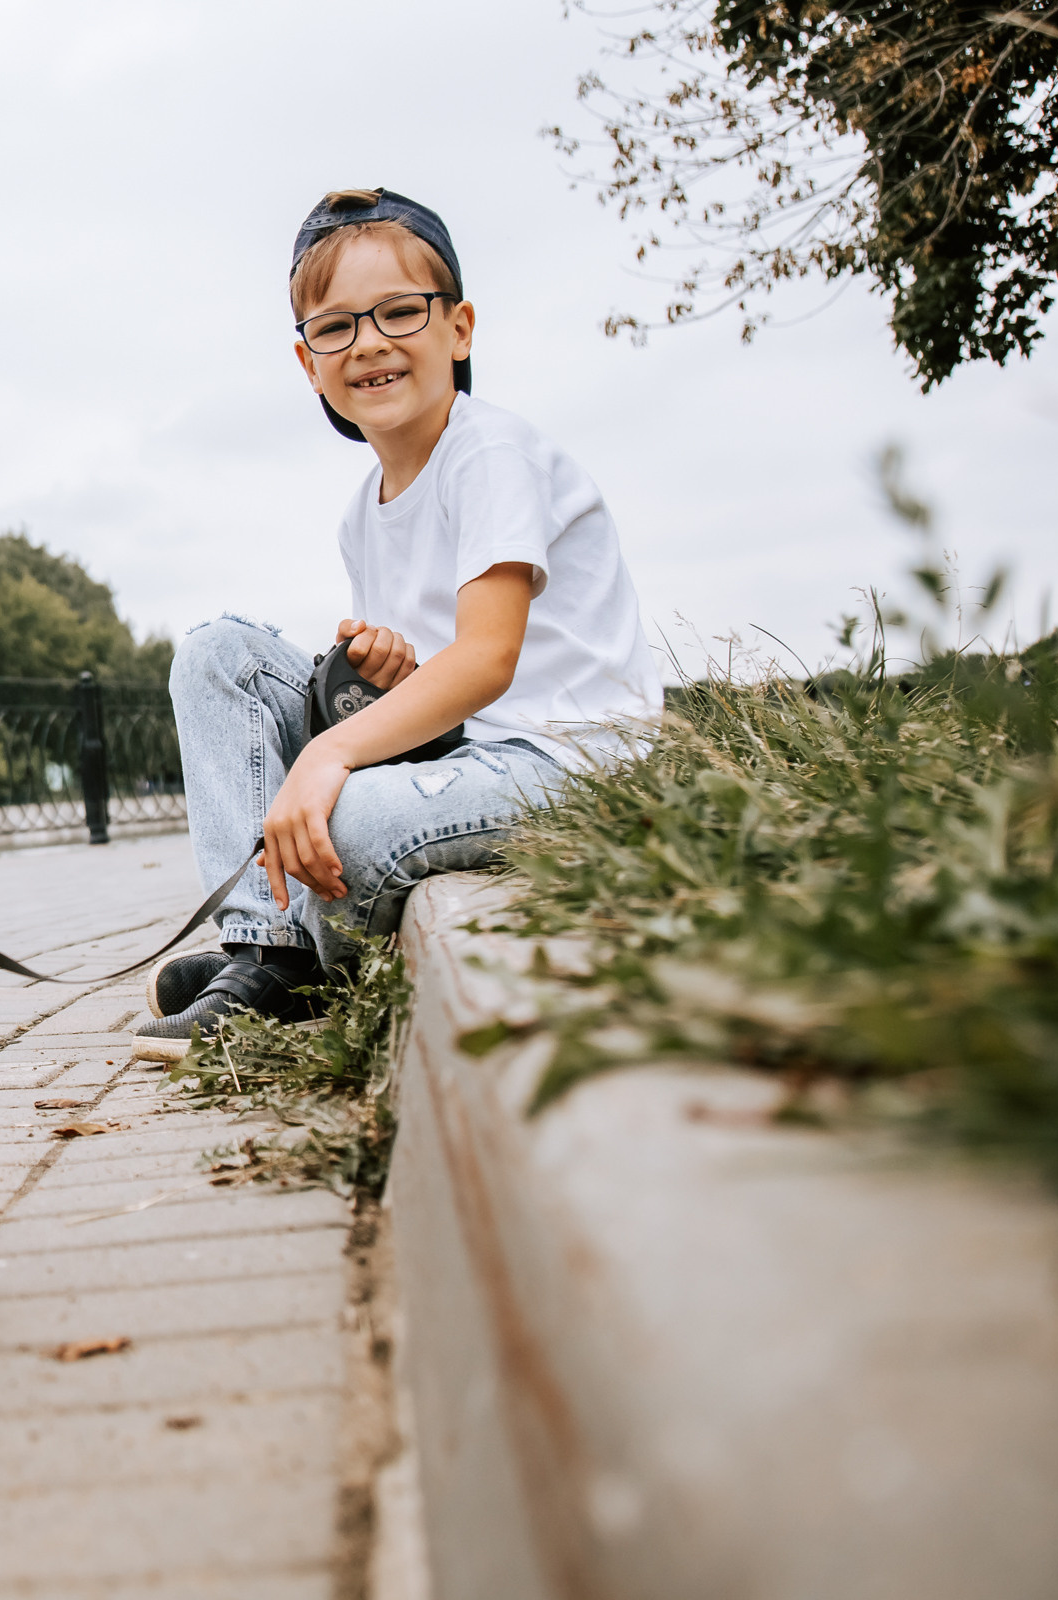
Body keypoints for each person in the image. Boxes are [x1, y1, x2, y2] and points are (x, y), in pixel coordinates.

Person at [130, 188, 660, 1061]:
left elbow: (487, 660)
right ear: (309, 364)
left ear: (459, 328)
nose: (369, 342)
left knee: (348, 815)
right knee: (218, 654)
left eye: (400, 312)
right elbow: (429, 706)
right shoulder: (361, 514)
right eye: (336, 327)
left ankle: (297, 963)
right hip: (464, 756)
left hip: (564, 762)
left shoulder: (490, 454)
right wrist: (384, 673)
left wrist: (325, 755)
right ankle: (268, 950)